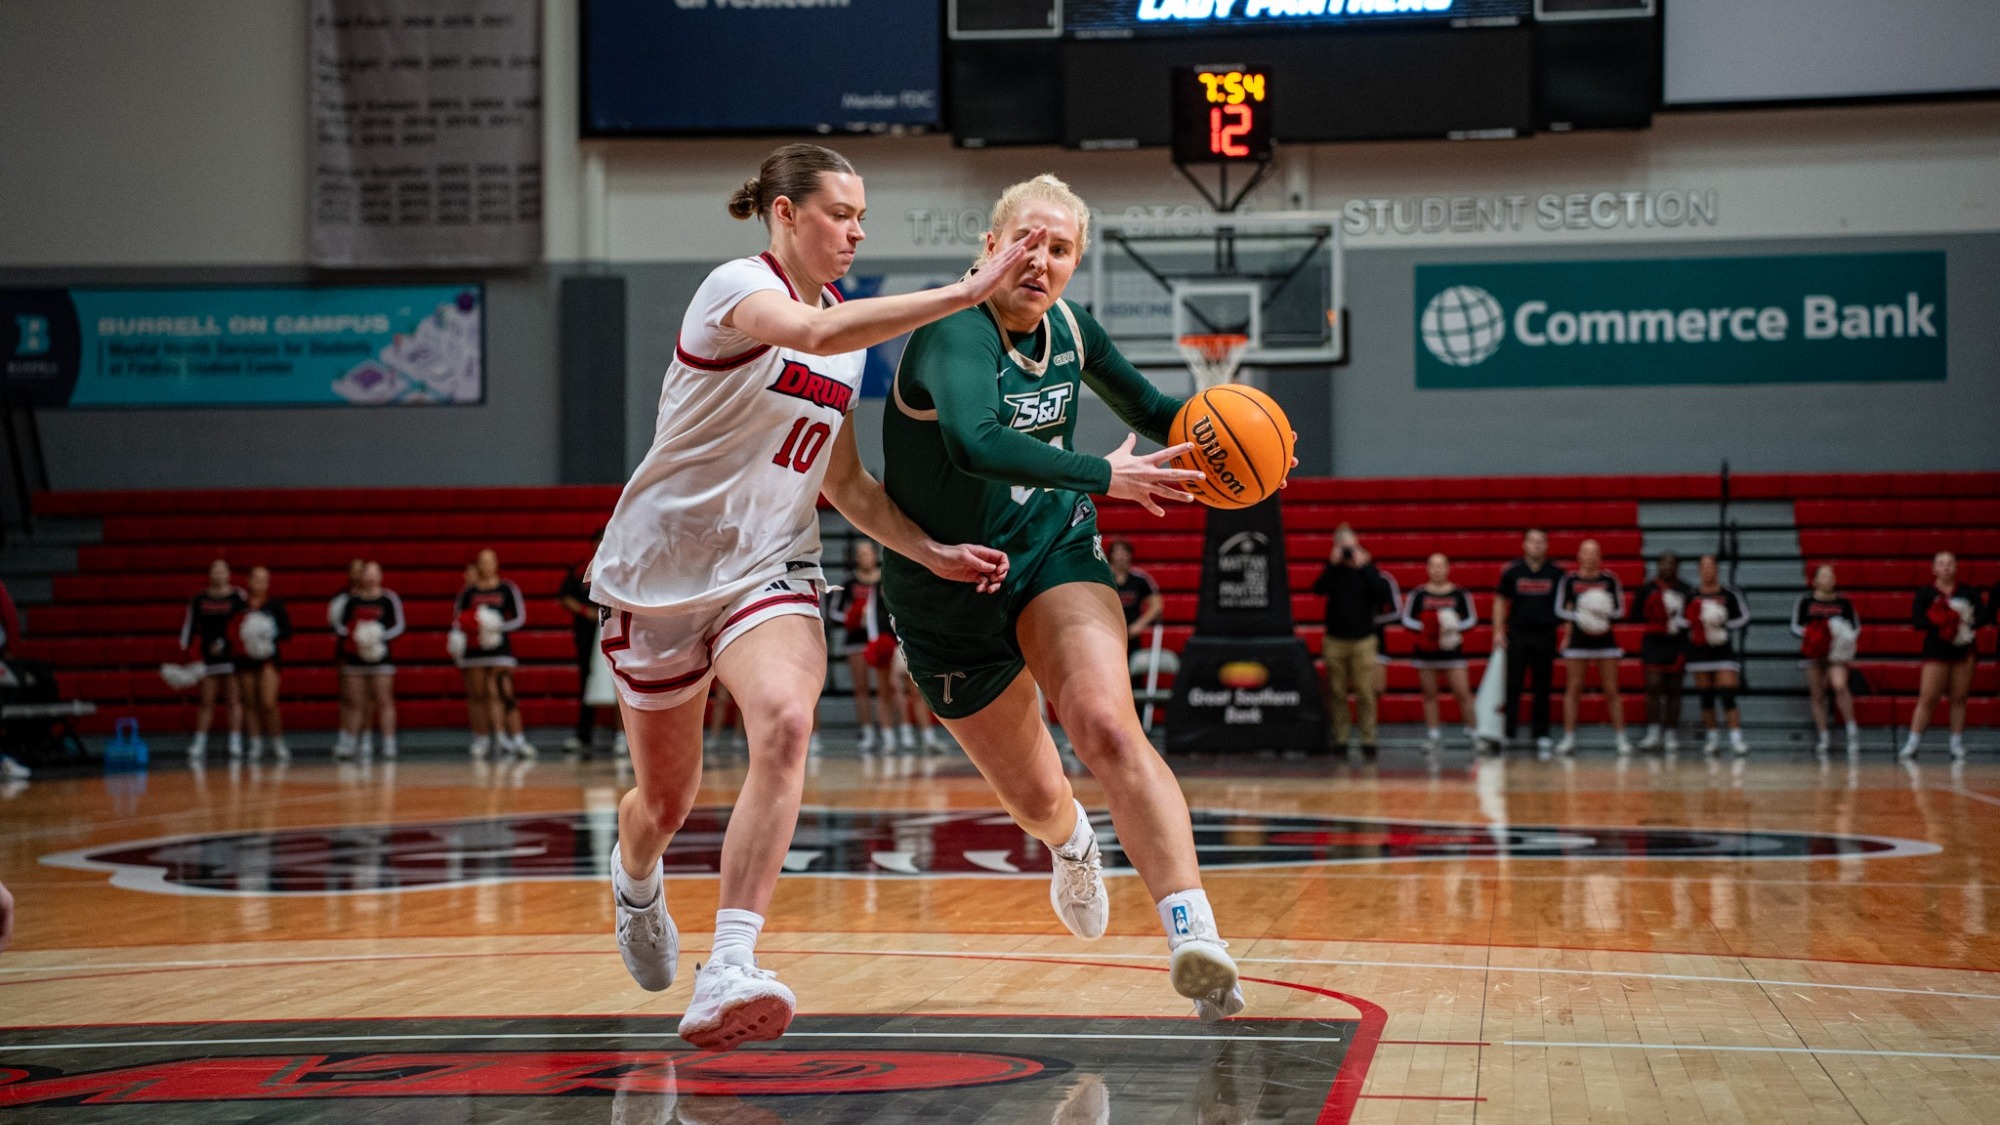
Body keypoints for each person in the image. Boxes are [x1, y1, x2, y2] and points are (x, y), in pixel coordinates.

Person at [590, 143, 1031, 1051]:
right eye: (840, 212)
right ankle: (635, 875)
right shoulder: (735, 288)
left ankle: (732, 962)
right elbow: (819, 336)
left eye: (863, 214)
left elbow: (848, 484)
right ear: (786, 214)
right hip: (662, 572)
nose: (857, 230)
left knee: (789, 721)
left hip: (770, 569)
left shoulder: (840, 333)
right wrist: (968, 289)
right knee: (664, 803)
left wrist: (930, 548)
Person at [880, 172, 1248, 1023]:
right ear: (990, 248)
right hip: (944, 586)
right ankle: (1070, 842)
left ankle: (1196, 936)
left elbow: (1157, 409)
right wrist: (1103, 473)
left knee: (1108, 723)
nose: (1040, 260)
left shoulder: (1073, 330)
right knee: (1036, 797)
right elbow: (975, 442)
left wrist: (1237, 442)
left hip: (1052, 550)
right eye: (1026, 242)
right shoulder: (949, 331)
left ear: (1076, 263)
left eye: (1060, 248)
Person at [1312, 524, 1399, 757]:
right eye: (1343, 547)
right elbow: (1317, 589)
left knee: (1365, 693)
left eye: (1351, 546)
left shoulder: (1367, 571)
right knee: (1337, 692)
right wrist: (1332, 564)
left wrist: (1364, 566)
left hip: (1363, 640)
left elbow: (1382, 595)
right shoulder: (1334, 572)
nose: (1348, 552)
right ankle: (1340, 740)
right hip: (1335, 640)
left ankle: (1368, 740)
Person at [1554, 540, 1631, 756]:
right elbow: (1559, 610)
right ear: (1579, 556)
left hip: (1605, 641)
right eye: (1585, 553)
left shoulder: (1609, 579)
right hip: (1578, 641)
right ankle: (1569, 738)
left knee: (1611, 689)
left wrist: (1601, 612)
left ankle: (1621, 739)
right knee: (1574, 688)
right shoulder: (1570, 580)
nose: (1589, 557)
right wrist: (1582, 615)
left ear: (1599, 556)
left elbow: (1619, 610)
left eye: (1594, 553)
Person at [1902, 551, 1980, 760]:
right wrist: (1941, 620)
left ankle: (1956, 744)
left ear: (1956, 567)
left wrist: (1963, 618)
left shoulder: (1968, 593)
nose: (1946, 567)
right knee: (1928, 697)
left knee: (1959, 697)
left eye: (1950, 563)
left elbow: (1982, 617)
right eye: (1942, 564)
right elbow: (1917, 621)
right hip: (1936, 649)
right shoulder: (1925, 593)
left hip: (1963, 650)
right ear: (1934, 569)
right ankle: (1912, 743)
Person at [1493, 529, 1565, 755]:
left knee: (1542, 686)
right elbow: (1500, 600)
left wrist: (1567, 633)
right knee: (1513, 685)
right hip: (1518, 634)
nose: (1537, 545)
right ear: (1524, 544)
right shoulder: (1513, 571)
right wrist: (1498, 630)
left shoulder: (1556, 572)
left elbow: (1568, 604)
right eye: (1532, 541)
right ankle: (1508, 733)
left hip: (1545, 634)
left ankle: (1541, 734)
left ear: (1547, 545)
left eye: (1541, 541)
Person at [455, 549, 532, 758]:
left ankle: (516, 739)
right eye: (483, 561)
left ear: (496, 564)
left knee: (504, 693)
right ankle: (482, 739)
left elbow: (519, 617)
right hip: (474, 652)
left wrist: (496, 626)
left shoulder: (507, 589)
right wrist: (474, 627)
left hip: (500, 651)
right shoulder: (469, 592)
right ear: (478, 565)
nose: (487, 565)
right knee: (477, 696)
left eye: (491, 561)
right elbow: (458, 619)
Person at [1401, 553, 1478, 752]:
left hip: (1452, 653)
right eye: (1433, 566)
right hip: (1426, 653)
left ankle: (1475, 734)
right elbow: (1407, 619)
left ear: (1448, 568)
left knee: (1463, 693)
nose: (1437, 570)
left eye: (1441, 566)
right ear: (1427, 569)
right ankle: (1434, 736)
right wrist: (1429, 626)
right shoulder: (1418, 594)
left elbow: (1471, 619)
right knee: (1429, 695)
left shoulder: (1459, 594)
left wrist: (1450, 626)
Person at [332, 561, 403, 760]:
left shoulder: (389, 599)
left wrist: (377, 636)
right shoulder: (352, 601)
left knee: (384, 700)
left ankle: (389, 743)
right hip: (355, 659)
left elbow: (399, 626)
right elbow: (340, 626)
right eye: (367, 574)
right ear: (361, 577)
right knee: (356, 702)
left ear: (380, 576)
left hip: (381, 659)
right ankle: (354, 742)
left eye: (374, 574)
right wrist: (358, 636)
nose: (371, 578)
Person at [1683, 555, 1751, 756]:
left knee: (1728, 695)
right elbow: (1681, 620)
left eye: (1711, 567)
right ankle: (1712, 739)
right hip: (1699, 651)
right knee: (1706, 697)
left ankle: (1736, 739)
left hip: (1722, 650)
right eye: (1703, 567)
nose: (1708, 571)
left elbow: (1744, 617)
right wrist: (1699, 622)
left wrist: (1722, 622)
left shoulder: (1729, 593)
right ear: (1699, 571)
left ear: (1717, 570)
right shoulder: (1692, 594)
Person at [180, 559, 247, 760]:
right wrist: (187, 653)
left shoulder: (238, 596)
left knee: (233, 699)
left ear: (229, 574)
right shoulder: (199, 599)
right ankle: (199, 743)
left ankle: (235, 742)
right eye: (215, 569)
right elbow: (189, 628)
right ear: (209, 574)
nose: (218, 573)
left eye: (222, 569)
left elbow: (244, 623)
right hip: (207, 656)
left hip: (231, 655)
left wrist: (232, 645)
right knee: (206, 701)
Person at [1792, 564, 1861, 755]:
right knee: (1817, 694)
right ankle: (1823, 736)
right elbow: (1795, 626)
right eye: (1824, 576)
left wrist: (1838, 636)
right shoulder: (1805, 602)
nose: (1828, 579)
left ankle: (1852, 732)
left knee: (1840, 686)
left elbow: (1854, 628)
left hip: (1836, 653)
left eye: (1831, 576)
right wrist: (1815, 635)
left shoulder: (1843, 603)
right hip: (1813, 652)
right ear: (1814, 581)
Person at [1629, 552, 1690, 752]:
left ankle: (1671, 732)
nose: (1667, 567)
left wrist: (1680, 621)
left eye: (1671, 563)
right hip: (1653, 643)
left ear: (1677, 567)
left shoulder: (1685, 590)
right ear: (1657, 566)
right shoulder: (1647, 589)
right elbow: (1634, 616)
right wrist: (1653, 613)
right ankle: (1653, 732)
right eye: (1663, 563)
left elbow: (1692, 618)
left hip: (1677, 643)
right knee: (1653, 686)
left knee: (1674, 690)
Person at [233, 566, 292, 763]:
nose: (260, 583)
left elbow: (287, 632)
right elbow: (231, 630)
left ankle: (277, 742)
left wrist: (268, 632)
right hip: (245, 659)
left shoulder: (274, 605)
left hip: (268, 658)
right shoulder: (239, 605)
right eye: (256, 579)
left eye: (264, 580)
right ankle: (255, 743)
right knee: (250, 702)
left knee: (268, 702)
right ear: (249, 581)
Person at [827, 543, 880, 750]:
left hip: (881, 639)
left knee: (891, 687)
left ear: (875, 555)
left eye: (867, 553)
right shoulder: (848, 583)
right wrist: (853, 617)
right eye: (860, 554)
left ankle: (893, 732)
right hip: (856, 640)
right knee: (862, 688)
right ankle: (867, 731)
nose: (863, 557)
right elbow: (834, 612)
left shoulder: (884, 580)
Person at [559, 529, 605, 756]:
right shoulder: (580, 569)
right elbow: (565, 597)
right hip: (587, 634)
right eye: (598, 542)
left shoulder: (620, 567)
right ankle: (583, 734)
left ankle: (624, 737)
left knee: (623, 685)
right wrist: (586, 611)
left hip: (614, 632)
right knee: (587, 681)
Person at [328, 558, 366, 750]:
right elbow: (334, 624)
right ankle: (345, 735)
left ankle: (364, 737)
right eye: (354, 570)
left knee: (368, 697)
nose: (358, 575)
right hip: (347, 652)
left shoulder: (375, 596)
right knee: (347, 696)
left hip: (370, 654)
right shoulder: (342, 598)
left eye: (362, 570)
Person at [1107, 539, 1164, 657]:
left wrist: (1140, 624)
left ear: (1130, 555)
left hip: (1131, 636)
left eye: (1124, 552)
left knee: (1133, 671)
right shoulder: (1103, 578)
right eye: (1117, 552)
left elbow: (1157, 604)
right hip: (1108, 633)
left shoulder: (1140, 579)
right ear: (1111, 555)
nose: (1121, 557)